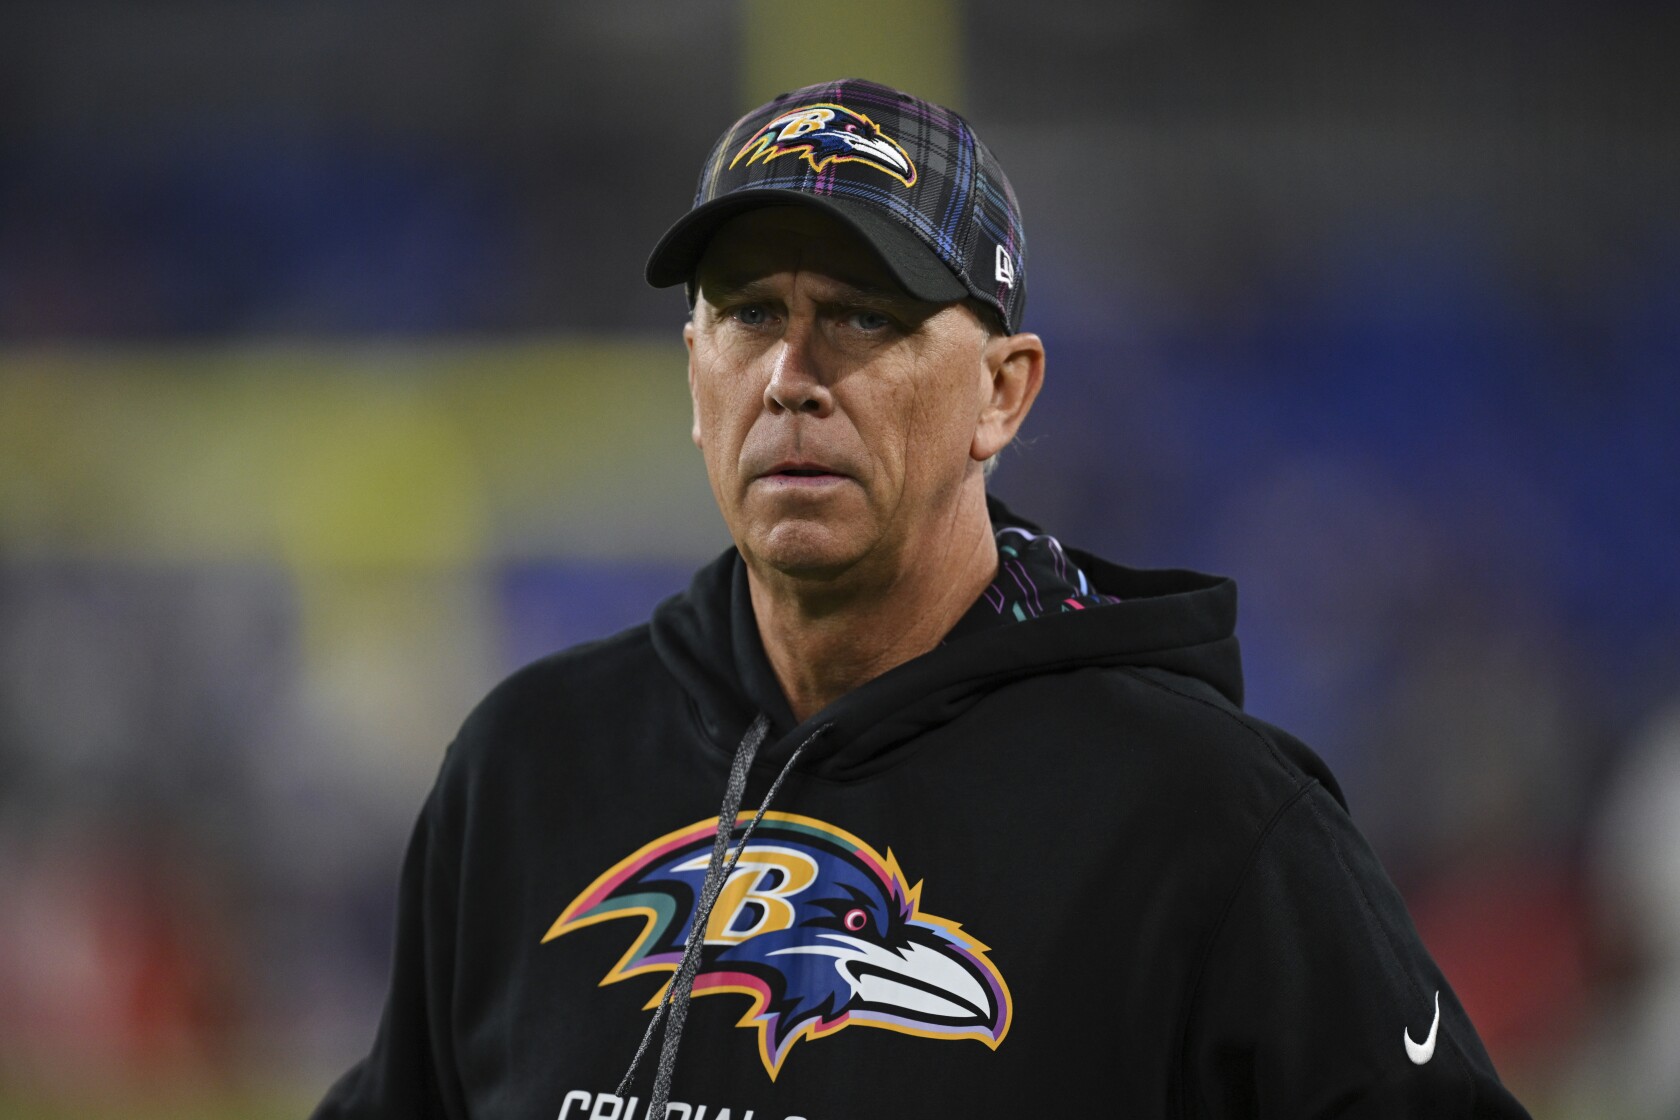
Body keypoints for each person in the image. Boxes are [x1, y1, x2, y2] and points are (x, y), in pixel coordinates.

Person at [313, 78, 1530, 1118]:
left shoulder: (1204, 818)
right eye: (749, 313)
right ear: (694, 376)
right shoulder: (530, 765)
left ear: (1003, 393)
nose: (791, 375)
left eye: (864, 314)